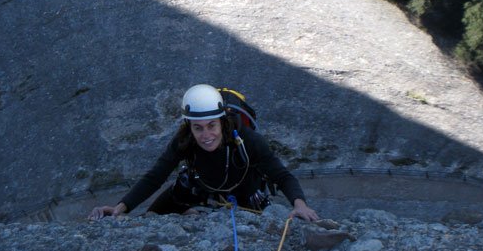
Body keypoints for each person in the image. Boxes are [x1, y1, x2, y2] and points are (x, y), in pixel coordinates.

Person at [89, 84, 319, 222]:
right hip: (201, 187)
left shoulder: (246, 140)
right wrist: (120, 208)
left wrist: (299, 205)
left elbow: (281, 175)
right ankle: (190, 210)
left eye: (211, 126)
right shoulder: (185, 140)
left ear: (222, 122)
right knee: (152, 216)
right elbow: (156, 176)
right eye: (198, 127)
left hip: (245, 192)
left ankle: (192, 211)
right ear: (189, 126)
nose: (205, 134)